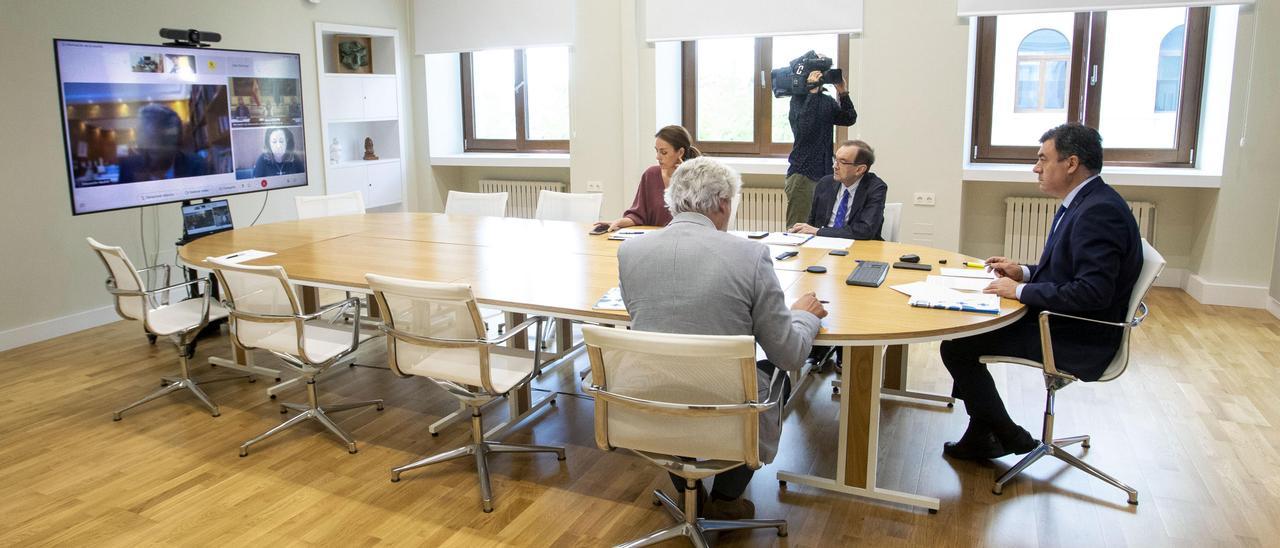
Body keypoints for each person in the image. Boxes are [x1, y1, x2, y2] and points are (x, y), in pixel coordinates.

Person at [617, 157, 827, 519]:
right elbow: (789, 355)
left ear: (672, 200)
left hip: (650, 398)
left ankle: (687, 490)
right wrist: (804, 316)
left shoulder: (629, 251)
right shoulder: (750, 256)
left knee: (675, 374)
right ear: (724, 203)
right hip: (727, 407)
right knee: (771, 373)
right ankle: (727, 499)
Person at [939, 123, 1143, 461]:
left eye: (1042, 159)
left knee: (959, 347)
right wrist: (1026, 272)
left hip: (1078, 335)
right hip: (1064, 320)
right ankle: (983, 433)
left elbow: (1092, 292)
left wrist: (1019, 290)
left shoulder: (1099, 212)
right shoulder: (1087, 202)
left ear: (1072, 163)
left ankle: (1007, 433)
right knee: (965, 337)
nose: (1036, 168)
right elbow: (1071, 271)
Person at [784, 64, 857, 228]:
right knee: (797, 229)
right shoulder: (798, 101)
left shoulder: (827, 101)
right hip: (803, 174)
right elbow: (805, 127)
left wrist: (842, 92)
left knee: (821, 228)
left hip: (825, 174)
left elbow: (849, 118)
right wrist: (812, 91)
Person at [594, 125, 700, 233]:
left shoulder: (696, 178)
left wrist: (686, 178)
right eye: (657, 151)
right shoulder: (651, 175)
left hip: (687, 241)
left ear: (680, 152)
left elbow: (701, 218)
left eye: (663, 152)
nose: (658, 157)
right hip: (656, 242)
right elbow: (638, 215)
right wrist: (619, 222)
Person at [787, 139, 886, 240]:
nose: (834, 166)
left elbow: (865, 231)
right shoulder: (825, 183)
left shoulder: (875, 188)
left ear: (860, 169)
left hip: (857, 246)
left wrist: (819, 231)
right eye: (835, 160)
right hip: (822, 244)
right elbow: (812, 221)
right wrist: (801, 231)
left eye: (842, 162)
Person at [118, 104, 211, 183]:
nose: (152, 147)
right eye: (147, 139)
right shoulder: (128, 167)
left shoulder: (197, 166)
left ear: (177, 141)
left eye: (159, 139)